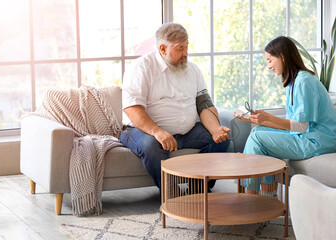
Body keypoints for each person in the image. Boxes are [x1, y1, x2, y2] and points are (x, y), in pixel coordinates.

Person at [120, 23, 230, 192]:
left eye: (187, 47)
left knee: (222, 140)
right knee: (151, 147)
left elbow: (204, 105)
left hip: (186, 132)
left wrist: (215, 129)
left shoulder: (192, 70)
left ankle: (197, 189)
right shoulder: (141, 68)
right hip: (142, 131)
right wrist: (157, 132)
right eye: (180, 49)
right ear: (163, 49)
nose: (185, 53)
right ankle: (172, 194)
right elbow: (132, 108)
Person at [236, 36, 336, 194]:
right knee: (257, 132)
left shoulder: (304, 81)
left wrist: (268, 119)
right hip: (307, 136)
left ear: (282, 56)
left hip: (318, 140)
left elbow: (302, 126)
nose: (269, 66)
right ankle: (266, 198)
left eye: (270, 60)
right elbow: (294, 122)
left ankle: (250, 197)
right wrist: (261, 120)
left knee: (257, 138)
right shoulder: (293, 82)